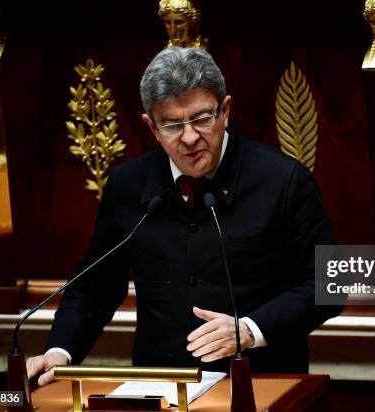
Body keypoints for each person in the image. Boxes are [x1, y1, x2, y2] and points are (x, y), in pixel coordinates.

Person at [27, 46, 342, 385]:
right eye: (173, 125)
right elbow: (94, 287)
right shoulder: (128, 185)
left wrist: (251, 329)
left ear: (225, 111)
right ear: (152, 127)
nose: (190, 137)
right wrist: (59, 352)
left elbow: (328, 285)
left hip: (259, 385)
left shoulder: (284, 181)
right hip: (160, 388)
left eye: (202, 119)